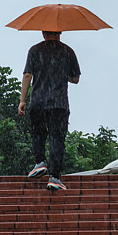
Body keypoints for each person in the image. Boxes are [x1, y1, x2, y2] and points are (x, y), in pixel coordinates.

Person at [18, 30, 80, 191]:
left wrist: (22, 100)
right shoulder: (68, 51)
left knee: (38, 133)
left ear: (43, 33)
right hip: (59, 103)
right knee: (57, 138)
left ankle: (40, 163)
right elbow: (75, 79)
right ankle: (54, 177)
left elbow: (27, 75)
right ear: (60, 32)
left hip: (38, 102)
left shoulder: (34, 50)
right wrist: (60, 72)